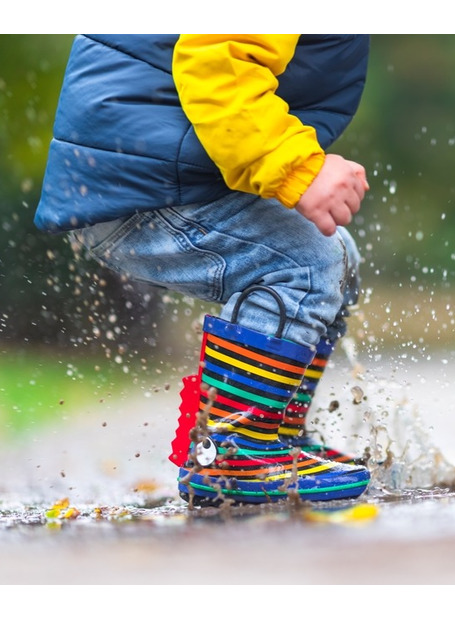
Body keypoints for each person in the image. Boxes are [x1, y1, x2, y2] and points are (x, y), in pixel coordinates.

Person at [34, 34, 372, 506]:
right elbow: (216, 63)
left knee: (338, 256)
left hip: (150, 168)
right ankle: (231, 455)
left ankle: (270, 434)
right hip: (139, 179)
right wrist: (298, 169)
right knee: (307, 260)